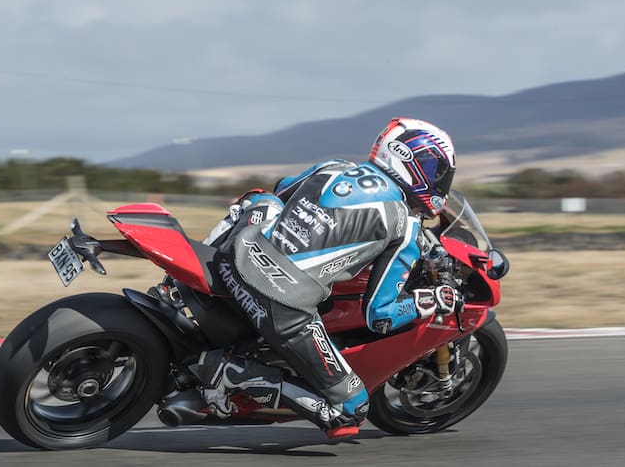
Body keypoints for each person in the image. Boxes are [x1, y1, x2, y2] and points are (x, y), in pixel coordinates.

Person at [194, 117, 460, 439]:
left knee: (260, 199)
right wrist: (433, 299)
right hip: (282, 304)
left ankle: (183, 284)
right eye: (434, 170)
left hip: (233, 259)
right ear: (408, 160)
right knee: (351, 411)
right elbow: (380, 316)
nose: (437, 180)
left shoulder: (334, 167)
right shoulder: (405, 226)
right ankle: (235, 374)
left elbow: (280, 191)